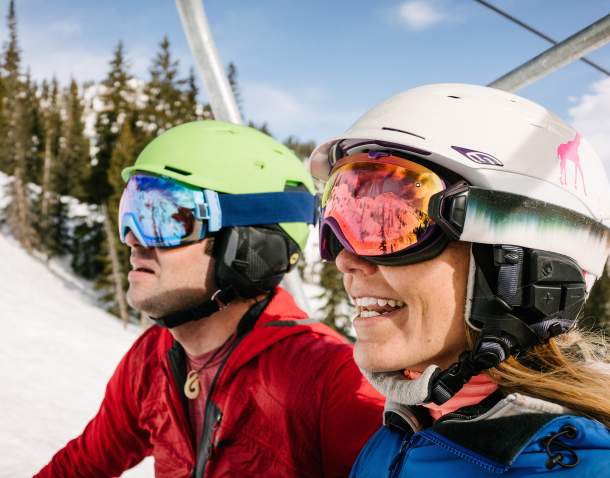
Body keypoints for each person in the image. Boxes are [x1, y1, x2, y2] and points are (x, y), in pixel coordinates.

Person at [309, 83, 610, 477]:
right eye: (339, 218)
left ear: (517, 263)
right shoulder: (404, 430)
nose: (345, 259)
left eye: (390, 221)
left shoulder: (596, 469)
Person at [36, 120, 383, 478]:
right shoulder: (152, 357)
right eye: (132, 212)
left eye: (167, 218)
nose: (133, 239)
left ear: (248, 246)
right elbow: (82, 465)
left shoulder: (331, 380)